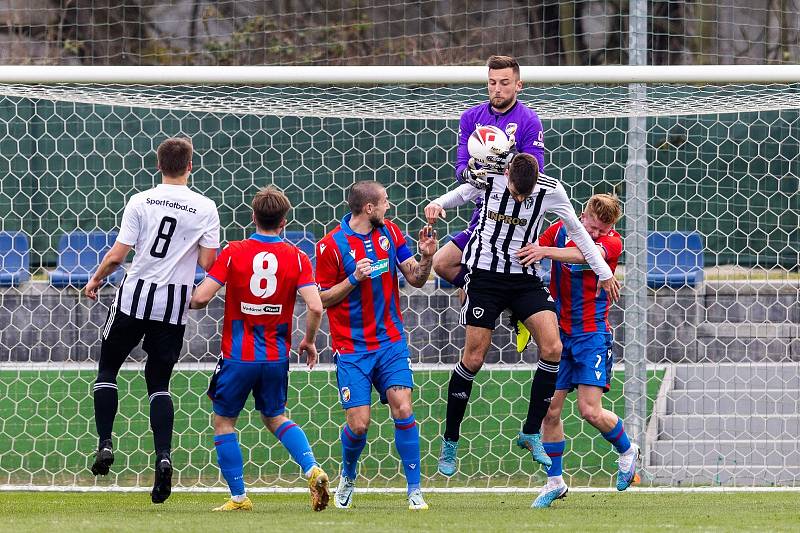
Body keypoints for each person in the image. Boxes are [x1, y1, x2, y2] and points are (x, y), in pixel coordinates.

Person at [423, 153, 620, 478]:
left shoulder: (551, 190)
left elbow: (579, 232)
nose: (518, 198)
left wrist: (603, 272)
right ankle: (451, 440)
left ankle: (530, 431)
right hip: (485, 274)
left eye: (523, 195)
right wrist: (438, 202)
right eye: (515, 191)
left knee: (552, 347)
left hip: (523, 277)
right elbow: (463, 193)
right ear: (508, 176)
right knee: (473, 357)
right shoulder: (490, 178)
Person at [84, 137, 220, 504]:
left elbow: (118, 254)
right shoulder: (205, 207)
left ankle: (106, 444)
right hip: (173, 306)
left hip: (133, 298)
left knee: (107, 371)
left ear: (158, 165)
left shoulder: (140, 200)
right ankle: (163, 457)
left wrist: (96, 279)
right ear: (191, 165)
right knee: (159, 384)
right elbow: (208, 264)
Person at [190, 186, 330, 512]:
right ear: (284, 221)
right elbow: (316, 307)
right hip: (275, 356)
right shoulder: (297, 257)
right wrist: (308, 341)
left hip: (238, 356)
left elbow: (200, 298)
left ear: (253, 216)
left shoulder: (234, 251)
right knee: (276, 416)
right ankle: (312, 469)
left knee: (224, 423)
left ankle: (239, 497)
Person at [315, 180, 438, 510]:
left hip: (390, 343)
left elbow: (415, 278)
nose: (388, 207)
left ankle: (415, 490)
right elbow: (322, 299)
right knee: (359, 424)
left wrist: (426, 258)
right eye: (384, 202)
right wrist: (354, 278)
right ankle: (348, 477)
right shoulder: (331, 245)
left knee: (404, 408)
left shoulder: (392, 234)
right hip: (352, 349)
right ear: (368, 208)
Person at [516, 194, 638, 508]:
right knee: (549, 410)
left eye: (602, 229)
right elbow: (529, 249)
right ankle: (554, 482)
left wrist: (545, 252)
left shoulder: (612, 243)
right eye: (591, 226)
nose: (595, 233)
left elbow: (586, 254)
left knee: (589, 411)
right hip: (559, 334)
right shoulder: (557, 231)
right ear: (582, 214)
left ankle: (627, 451)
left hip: (591, 335)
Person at [433, 54, 545, 350]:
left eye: (505, 82)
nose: (497, 88)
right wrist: (471, 173)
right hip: (483, 214)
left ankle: (509, 305)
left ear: (518, 85)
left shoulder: (529, 121)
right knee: (442, 263)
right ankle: (502, 304)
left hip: (514, 219)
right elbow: (460, 169)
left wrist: (503, 166)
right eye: (492, 82)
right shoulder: (471, 118)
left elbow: (536, 171)